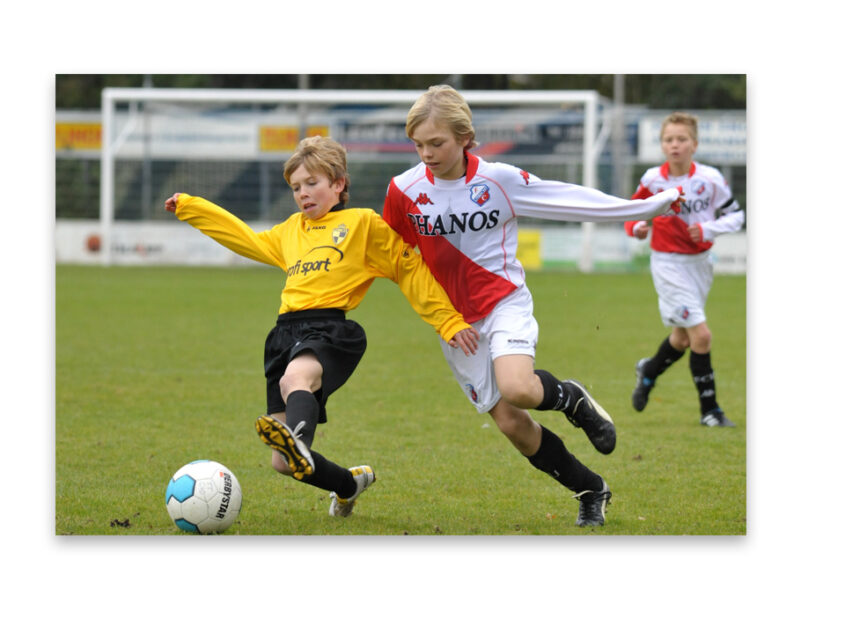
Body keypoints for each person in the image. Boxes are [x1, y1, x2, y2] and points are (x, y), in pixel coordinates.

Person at [382, 85, 683, 527]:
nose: (426, 153)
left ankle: (572, 400)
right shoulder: (402, 190)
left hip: (504, 302)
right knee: (511, 424)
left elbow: (568, 199)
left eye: (437, 143)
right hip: (454, 324)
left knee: (518, 387)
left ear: (465, 137)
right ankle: (590, 489)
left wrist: (642, 207)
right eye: (418, 144)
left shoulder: (498, 180)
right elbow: (394, 257)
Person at [164, 135, 478, 518]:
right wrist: (192, 208)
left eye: (312, 183)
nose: (303, 194)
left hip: (330, 330)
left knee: (295, 379)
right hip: (283, 334)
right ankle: (347, 484)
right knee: (283, 463)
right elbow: (244, 238)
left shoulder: (361, 224)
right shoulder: (290, 231)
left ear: (339, 184)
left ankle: (296, 438)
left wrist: (446, 320)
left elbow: (407, 268)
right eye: (296, 187)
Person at [624, 112, 745, 428]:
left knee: (681, 338)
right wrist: (637, 227)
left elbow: (736, 216)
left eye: (681, 139)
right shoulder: (653, 180)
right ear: (662, 145)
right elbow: (630, 213)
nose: (674, 145)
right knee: (701, 335)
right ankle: (710, 411)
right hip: (667, 263)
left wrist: (708, 229)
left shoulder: (710, 179)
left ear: (694, 144)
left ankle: (649, 371)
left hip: (700, 264)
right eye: (668, 139)